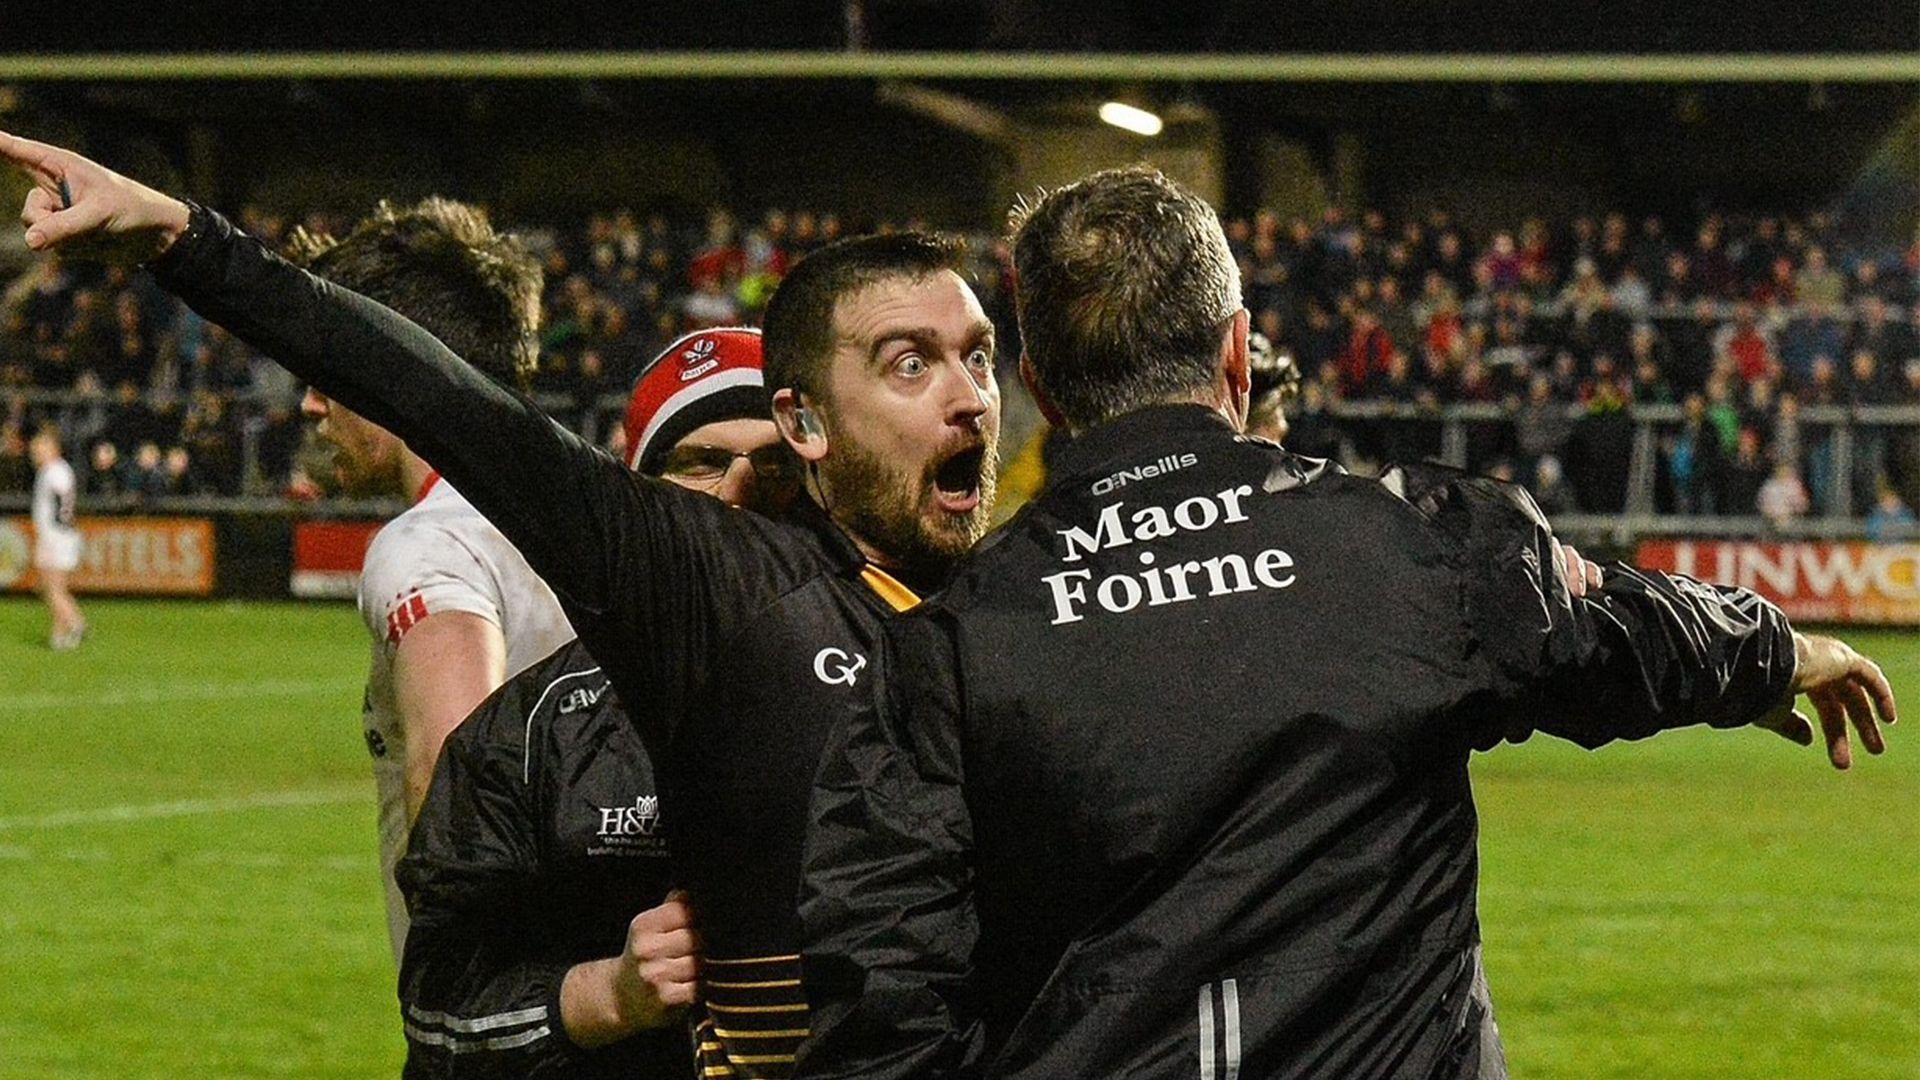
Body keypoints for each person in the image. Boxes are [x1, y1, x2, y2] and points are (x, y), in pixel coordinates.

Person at [796, 166, 1897, 1079]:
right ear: (1237, 354)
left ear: (1039, 381)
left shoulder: (941, 650)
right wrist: (1780, 651)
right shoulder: (1413, 546)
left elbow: (878, 1004)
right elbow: (1615, 638)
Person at [1, 129, 999, 1079]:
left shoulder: (1021, 622)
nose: (969, 396)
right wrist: (187, 242)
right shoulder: (552, 732)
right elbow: (440, 397)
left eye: (982, 357)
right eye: (702, 467)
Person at [398, 328, 796, 1078]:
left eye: (773, 463)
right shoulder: (528, 732)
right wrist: (606, 997)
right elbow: (438, 1010)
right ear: (636, 491)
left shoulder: (909, 685)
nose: (738, 490)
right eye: (703, 461)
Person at [28, 424, 84, 649]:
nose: (36, 453)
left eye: (40, 448)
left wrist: (56, 529)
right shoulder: (57, 469)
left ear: (53, 448)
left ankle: (75, 622)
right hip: (59, 535)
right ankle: (59, 635)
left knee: (51, 587)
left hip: (56, 536)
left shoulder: (55, 471)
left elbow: (62, 502)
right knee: (54, 587)